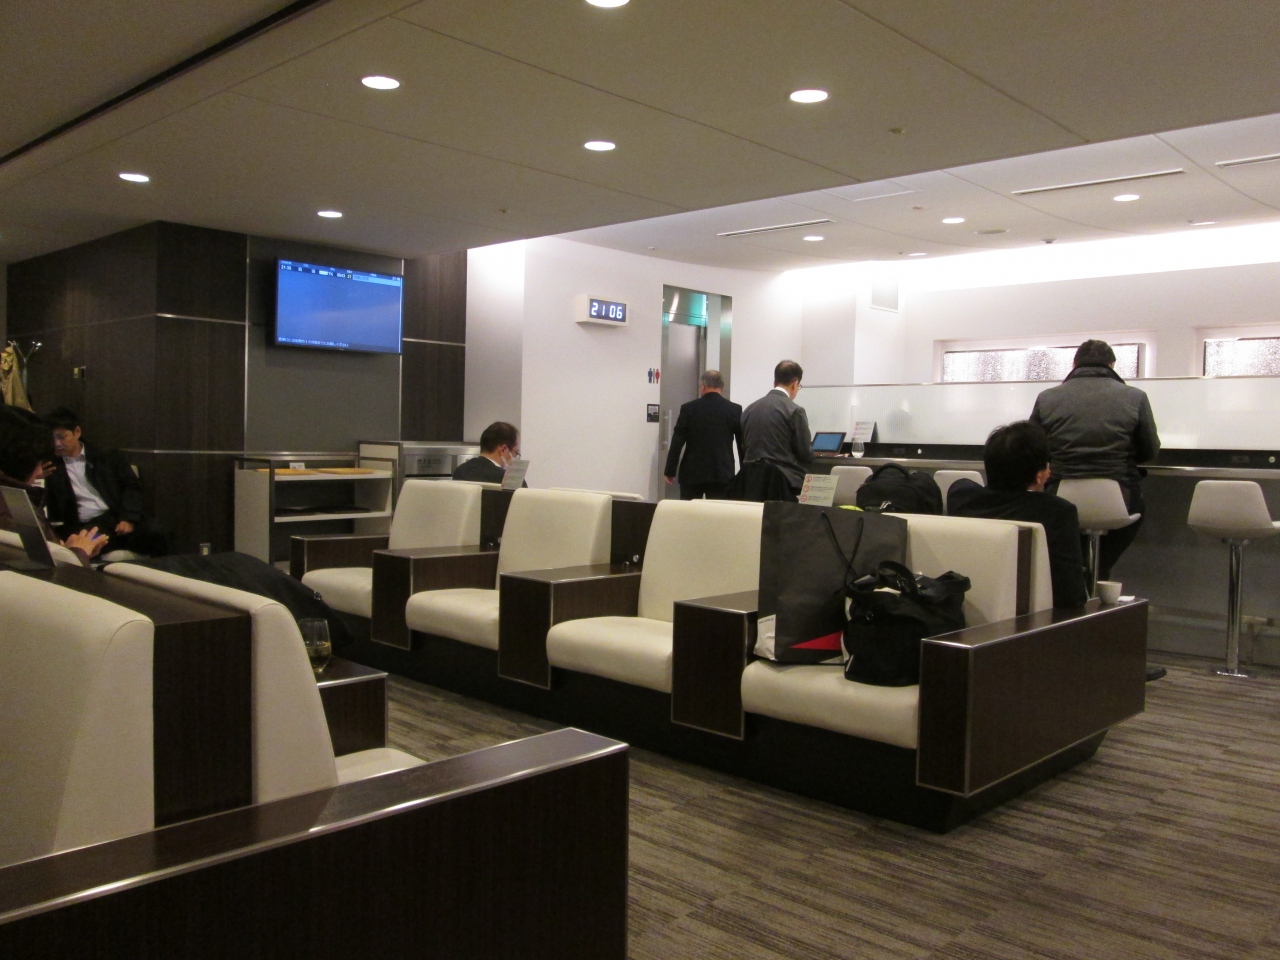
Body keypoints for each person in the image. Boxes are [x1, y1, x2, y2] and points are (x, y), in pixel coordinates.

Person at [1030, 340, 1161, 580]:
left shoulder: (1047, 397)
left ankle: (1078, 574)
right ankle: (1097, 574)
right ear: (1112, 365)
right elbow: (1150, 450)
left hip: (1060, 497)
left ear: (1074, 364)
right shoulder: (1136, 397)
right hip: (1119, 498)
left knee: (1066, 536)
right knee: (1132, 515)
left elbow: (1034, 449)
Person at [948, 421, 1088, 610]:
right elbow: (1071, 596)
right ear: (1039, 475)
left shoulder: (960, 497)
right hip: (1030, 618)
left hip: (964, 606)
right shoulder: (1057, 512)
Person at [42, 407, 169, 557]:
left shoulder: (106, 456)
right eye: (52, 439)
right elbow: (46, 504)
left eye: (61, 437)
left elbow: (131, 486)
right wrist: (40, 479)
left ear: (77, 432)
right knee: (88, 544)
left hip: (116, 517)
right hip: (87, 526)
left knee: (157, 532)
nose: (57, 443)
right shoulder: (49, 466)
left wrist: (128, 518)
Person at [0, 404, 106, 565]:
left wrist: (66, 551)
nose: (39, 472)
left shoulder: (104, 457)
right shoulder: (15, 508)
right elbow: (48, 573)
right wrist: (79, 552)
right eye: (39, 462)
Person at [663, 370, 744, 500]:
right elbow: (742, 443)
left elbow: (677, 441)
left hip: (692, 473)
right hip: (721, 472)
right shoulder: (734, 409)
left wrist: (670, 471)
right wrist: (744, 472)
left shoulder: (688, 409)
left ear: (703, 386)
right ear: (721, 387)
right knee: (718, 512)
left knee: (690, 511)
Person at [740, 360, 813, 495]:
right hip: (783, 483)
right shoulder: (795, 410)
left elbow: (745, 448)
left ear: (775, 382)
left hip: (750, 483)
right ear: (795, 384)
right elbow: (804, 453)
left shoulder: (749, 409)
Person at [452, 421, 525, 485]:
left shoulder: (459, 471)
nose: (514, 457)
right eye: (515, 452)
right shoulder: (509, 481)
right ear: (503, 449)